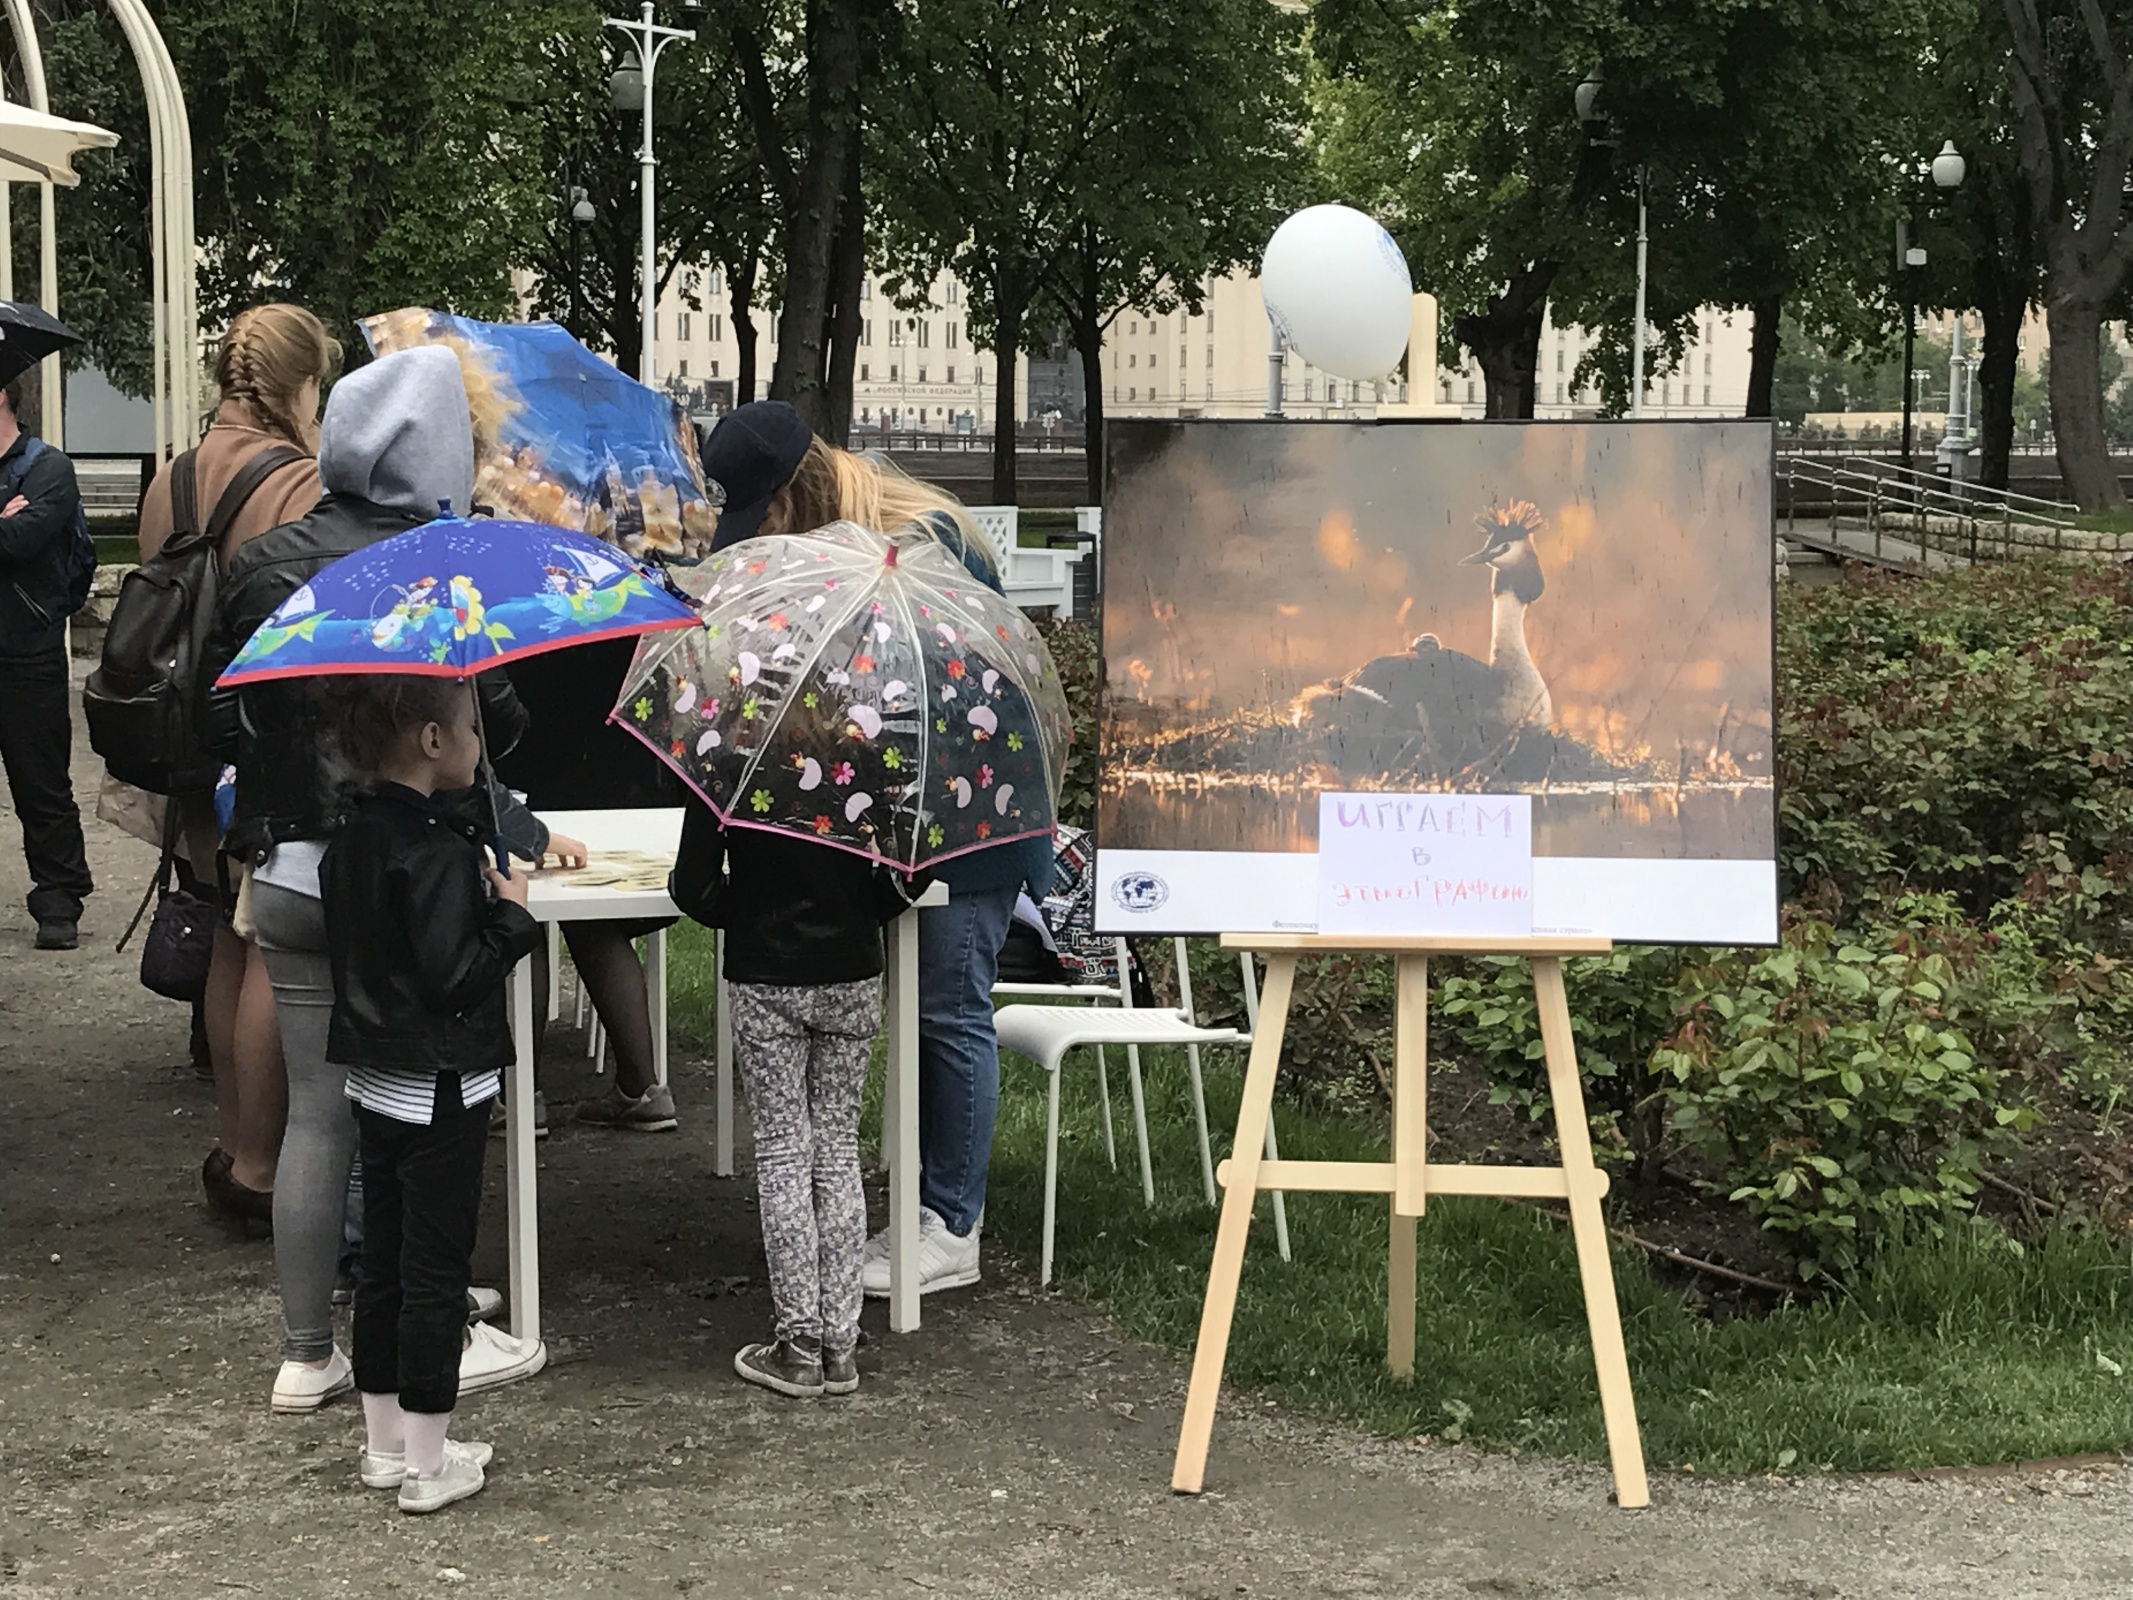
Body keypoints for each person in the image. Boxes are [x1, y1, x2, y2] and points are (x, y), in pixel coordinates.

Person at [200, 346, 553, 1412]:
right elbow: (493, 728)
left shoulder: (269, 558)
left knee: (319, 1116)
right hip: (411, 878)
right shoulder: (443, 562)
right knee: (423, 1115)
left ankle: (308, 1353)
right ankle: (429, 1317)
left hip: (298, 871)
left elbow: (221, 709)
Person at [322, 674, 542, 1513]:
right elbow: (456, 977)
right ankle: (428, 1460)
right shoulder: (440, 854)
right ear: (432, 742)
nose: (481, 745)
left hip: (376, 1075)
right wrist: (511, 918)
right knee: (434, 1271)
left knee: (382, 1262)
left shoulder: (353, 839)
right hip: (445, 1079)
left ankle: (385, 1446)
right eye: (473, 730)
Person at [138, 303, 338, 1227]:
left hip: (178, 733)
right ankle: (265, 1161)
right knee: (266, 938)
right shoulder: (297, 482)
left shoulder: (168, 480)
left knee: (221, 927)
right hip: (256, 730)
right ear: (301, 386)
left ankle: (233, 1140)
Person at [669, 774, 927, 1398]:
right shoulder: (877, 764)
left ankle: (799, 1344)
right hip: (851, 973)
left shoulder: (728, 768)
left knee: (784, 1151)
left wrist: (749, 913)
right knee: (837, 1149)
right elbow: (908, 875)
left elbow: (691, 886)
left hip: (764, 975)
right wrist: (860, 909)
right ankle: (841, 1343)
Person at [0, 366, 91, 952]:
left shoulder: (48, 467)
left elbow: (22, 541)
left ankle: (59, 899)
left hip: (26, 652)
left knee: (41, 783)